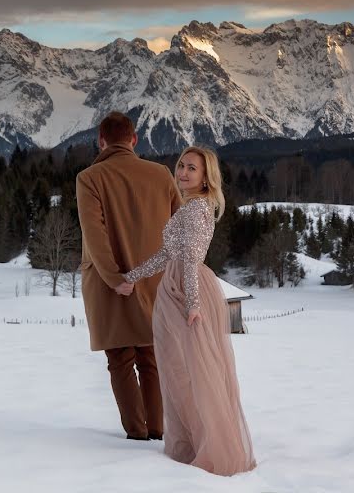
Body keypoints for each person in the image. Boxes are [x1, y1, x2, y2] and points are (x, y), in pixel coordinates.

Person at [120, 146, 256, 476]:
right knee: (176, 370)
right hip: (175, 287)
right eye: (181, 165)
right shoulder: (191, 207)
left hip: (186, 290)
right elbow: (169, 254)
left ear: (206, 178)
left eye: (191, 168)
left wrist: (193, 305)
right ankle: (193, 441)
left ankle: (213, 448)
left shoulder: (197, 211)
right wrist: (133, 278)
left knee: (197, 371)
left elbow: (191, 262)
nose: (182, 172)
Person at [76, 112, 181, 441]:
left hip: (111, 284)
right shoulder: (162, 175)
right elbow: (179, 232)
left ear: (101, 141)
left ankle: (136, 434)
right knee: (150, 355)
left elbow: (95, 236)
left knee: (120, 358)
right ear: (134, 140)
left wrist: (114, 277)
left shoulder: (90, 178)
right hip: (154, 278)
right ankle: (157, 428)